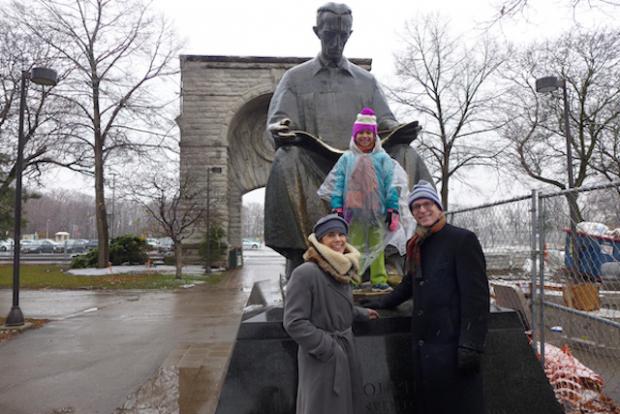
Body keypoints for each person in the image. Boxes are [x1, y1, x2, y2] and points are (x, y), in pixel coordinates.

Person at [265, 2, 432, 277]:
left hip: (367, 167)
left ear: (350, 34)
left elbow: (385, 121)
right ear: (317, 32)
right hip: (317, 166)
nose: (336, 41)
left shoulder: (366, 81)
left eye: (343, 35)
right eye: (330, 34)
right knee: (286, 159)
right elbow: (280, 119)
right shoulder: (295, 79)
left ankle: (392, 255)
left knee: (405, 153)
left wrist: (399, 129)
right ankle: (307, 256)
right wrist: (282, 129)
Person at [360, 180, 490, 414]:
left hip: (451, 345)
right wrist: (383, 302)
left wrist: (471, 345)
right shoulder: (418, 244)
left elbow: (476, 298)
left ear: (438, 207)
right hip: (425, 347)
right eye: (416, 207)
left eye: (427, 204)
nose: (422, 210)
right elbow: (410, 283)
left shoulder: (462, 240)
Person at [283, 214, 379, 414]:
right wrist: (328, 347)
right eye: (330, 235)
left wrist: (360, 313)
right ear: (320, 241)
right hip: (322, 358)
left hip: (345, 350)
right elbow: (294, 321)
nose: (338, 240)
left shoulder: (341, 269)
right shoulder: (306, 273)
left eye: (341, 234)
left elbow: (334, 305)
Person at [318, 107, 412, 291]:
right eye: (361, 133)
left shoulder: (383, 158)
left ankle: (378, 279)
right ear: (355, 136)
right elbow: (338, 184)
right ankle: (354, 279)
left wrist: (393, 209)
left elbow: (391, 184)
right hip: (354, 212)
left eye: (369, 133)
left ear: (375, 136)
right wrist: (337, 206)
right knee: (354, 246)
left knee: (378, 247)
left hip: (378, 211)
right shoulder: (347, 158)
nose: (365, 137)